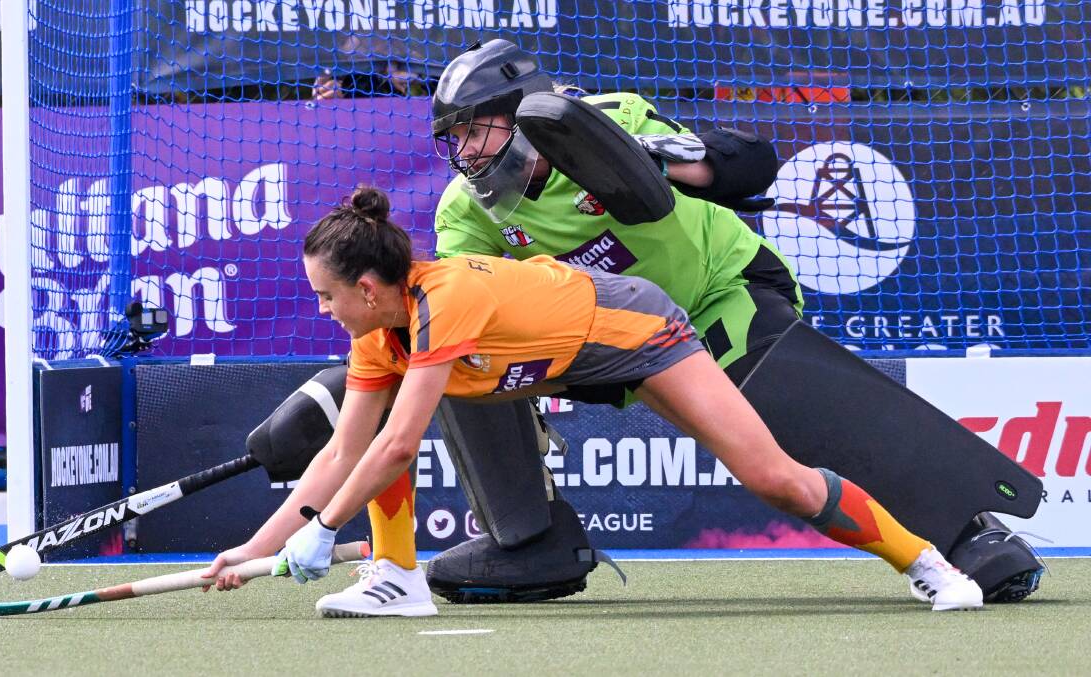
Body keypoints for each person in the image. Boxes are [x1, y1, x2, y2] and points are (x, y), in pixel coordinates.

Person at [301, 39, 1044, 614]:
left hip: (718, 294)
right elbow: (466, 311)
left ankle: (964, 532)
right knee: (458, 368)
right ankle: (526, 538)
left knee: (783, 433)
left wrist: (657, 162)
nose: (465, 152)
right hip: (605, 346)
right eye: (454, 138)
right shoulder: (465, 214)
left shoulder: (611, 119)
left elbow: (750, 166)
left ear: (524, 110)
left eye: (476, 130)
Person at [203, 185, 984, 616]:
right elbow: (346, 450)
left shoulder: (446, 298)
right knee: (377, 439)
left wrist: (326, 528)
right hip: (547, 363)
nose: (322, 307)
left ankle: (928, 562)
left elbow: (399, 446)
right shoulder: (379, 334)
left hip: (631, 332)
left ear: (368, 287)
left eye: (327, 294)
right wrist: (256, 545)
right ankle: (396, 578)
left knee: (772, 475)